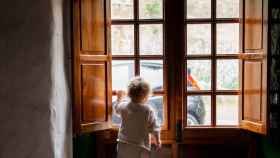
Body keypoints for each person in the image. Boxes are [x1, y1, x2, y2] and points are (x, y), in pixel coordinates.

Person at [114, 76, 161, 158]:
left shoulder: (124, 106)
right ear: (146, 96)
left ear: (129, 94)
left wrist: (119, 98)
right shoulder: (148, 110)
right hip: (140, 147)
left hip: (123, 145)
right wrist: (157, 140)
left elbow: (117, 109)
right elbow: (154, 127)